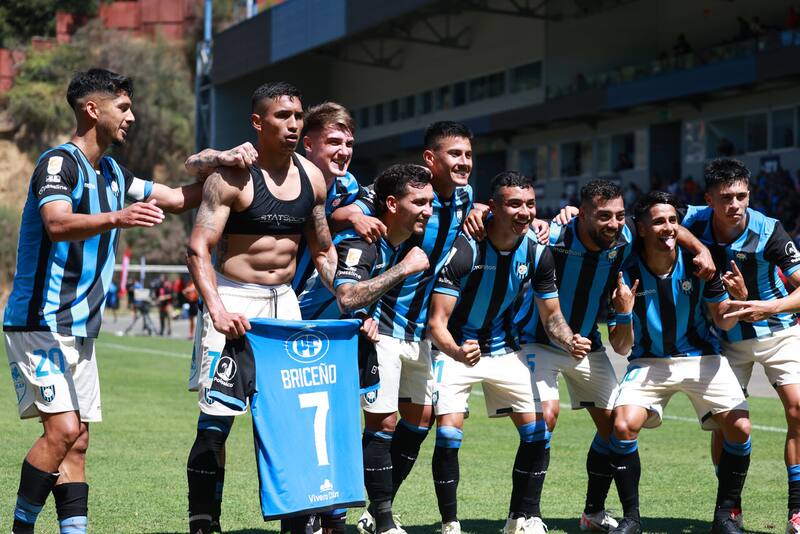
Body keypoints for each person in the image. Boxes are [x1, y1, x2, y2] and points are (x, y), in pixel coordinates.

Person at [2, 68, 251, 534]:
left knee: (77, 443)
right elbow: (57, 223)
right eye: (123, 107)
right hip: (40, 323)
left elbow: (179, 197)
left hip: (81, 329)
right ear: (92, 110)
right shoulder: (59, 164)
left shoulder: (114, 172)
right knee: (62, 432)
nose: (131, 117)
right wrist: (119, 217)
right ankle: (20, 528)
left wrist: (236, 176)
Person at [184, 81, 337, 534]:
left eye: (297, 116)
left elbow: (324, 250)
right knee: (216, 422)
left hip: (284, 307)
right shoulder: (231, 175)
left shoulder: (312, 177)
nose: (292, 124)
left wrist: (349, 293)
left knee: (290, 422)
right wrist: (217, 310)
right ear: (258, 122)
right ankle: (203, 522)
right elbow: (198, 248)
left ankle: (296, 522)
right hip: (233, 299)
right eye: (281, 116)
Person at [536, 181, 716, 532]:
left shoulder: (627, 236)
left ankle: (593, 512)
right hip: (538, 340)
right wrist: (481, 210)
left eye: (619, 215)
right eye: (604, 216)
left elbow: (670, 227)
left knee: (613, 427)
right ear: (583, 213)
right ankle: (524, 514)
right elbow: (516, 219)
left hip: (588, 343)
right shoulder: (555, 232)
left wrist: (701, 248)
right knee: (543, 419)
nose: (614, 223)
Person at [427, 172, 590, 534]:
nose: (525, 212)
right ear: (494, 207)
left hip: (503, 350)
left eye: (530, 204)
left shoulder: (536, 248)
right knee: (448, 433)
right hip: (456, 351)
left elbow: (553, 316)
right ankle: (450, 523)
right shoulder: (467, 247)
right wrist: (455, 350)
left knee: (539, 431)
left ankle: (522, 517)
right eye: (515, 204)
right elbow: (437, 320)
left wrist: (569, 339)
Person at [353, 121, 475, 534]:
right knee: (383, 423)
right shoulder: (405, 193)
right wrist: (351, 212)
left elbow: (474, 217)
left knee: (420, 418)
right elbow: (354, 208)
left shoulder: (465, 198)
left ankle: (375, 508)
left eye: (468, 155)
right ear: (430, 159)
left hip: (420, 331)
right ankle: (383, 518)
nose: (464, 162)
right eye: (454, 154)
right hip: (383, 322)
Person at [607, 191, 751, 534]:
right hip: (648, 361)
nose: (669, 227)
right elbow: (619, 345)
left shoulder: (702, 265)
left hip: (702, 357)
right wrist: (624, 314)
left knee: (740, 427)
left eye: (673, 220)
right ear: (641, 229)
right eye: (659, 221)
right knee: (622, 425)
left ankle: (726, 516)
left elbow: (723, 322)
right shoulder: (625, 271)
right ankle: (631, 519)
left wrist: (739, 301)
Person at [681, 159, 800, 533]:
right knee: (726, 424)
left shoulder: (769, 230)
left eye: (742, 196)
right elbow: (646, 213)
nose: (735, 205)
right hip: (726, 341)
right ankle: (729, 508)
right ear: (709, 200)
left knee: (798, 411)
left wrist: (770, 306)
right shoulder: (692, 220)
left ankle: (797, 511)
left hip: (779, 332)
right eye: (726, 197)